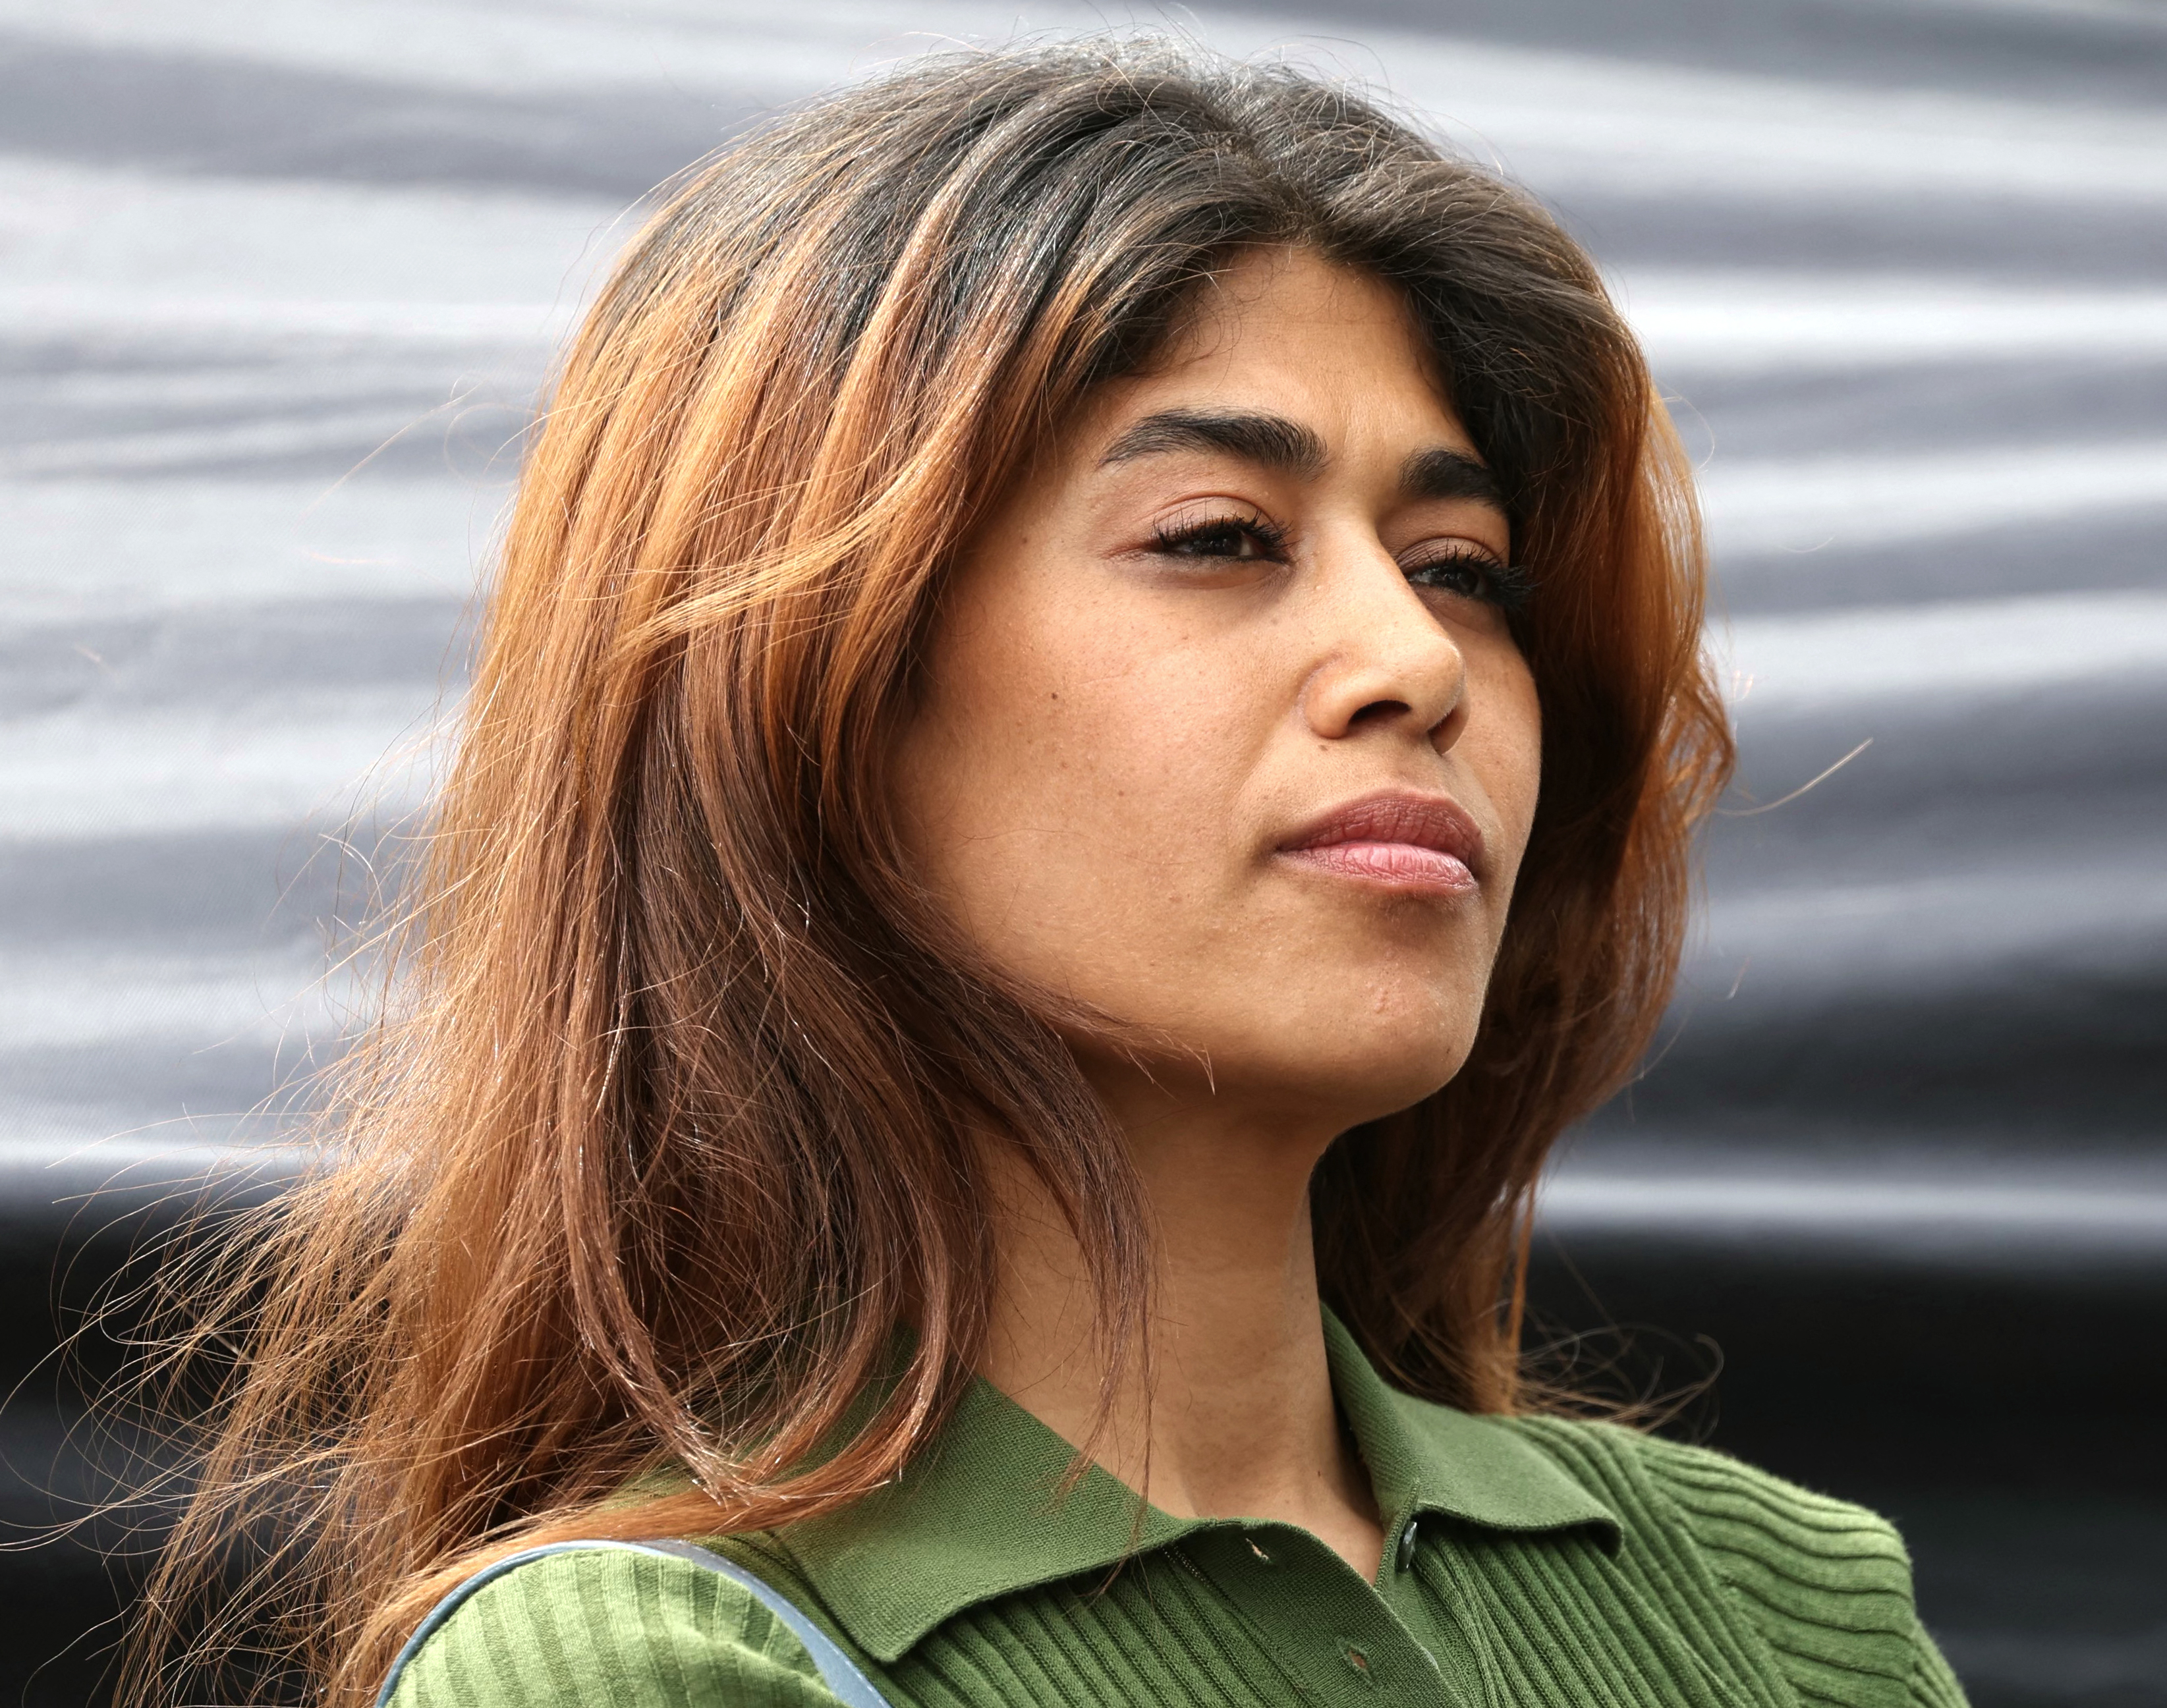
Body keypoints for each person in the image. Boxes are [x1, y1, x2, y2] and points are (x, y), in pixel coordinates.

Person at [132, 40, 1967, 1708]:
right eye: (1219, 537)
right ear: (813, 701)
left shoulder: (1773, 1601)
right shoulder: (652, 1668)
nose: (1412, 658)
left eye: (1460, 563)